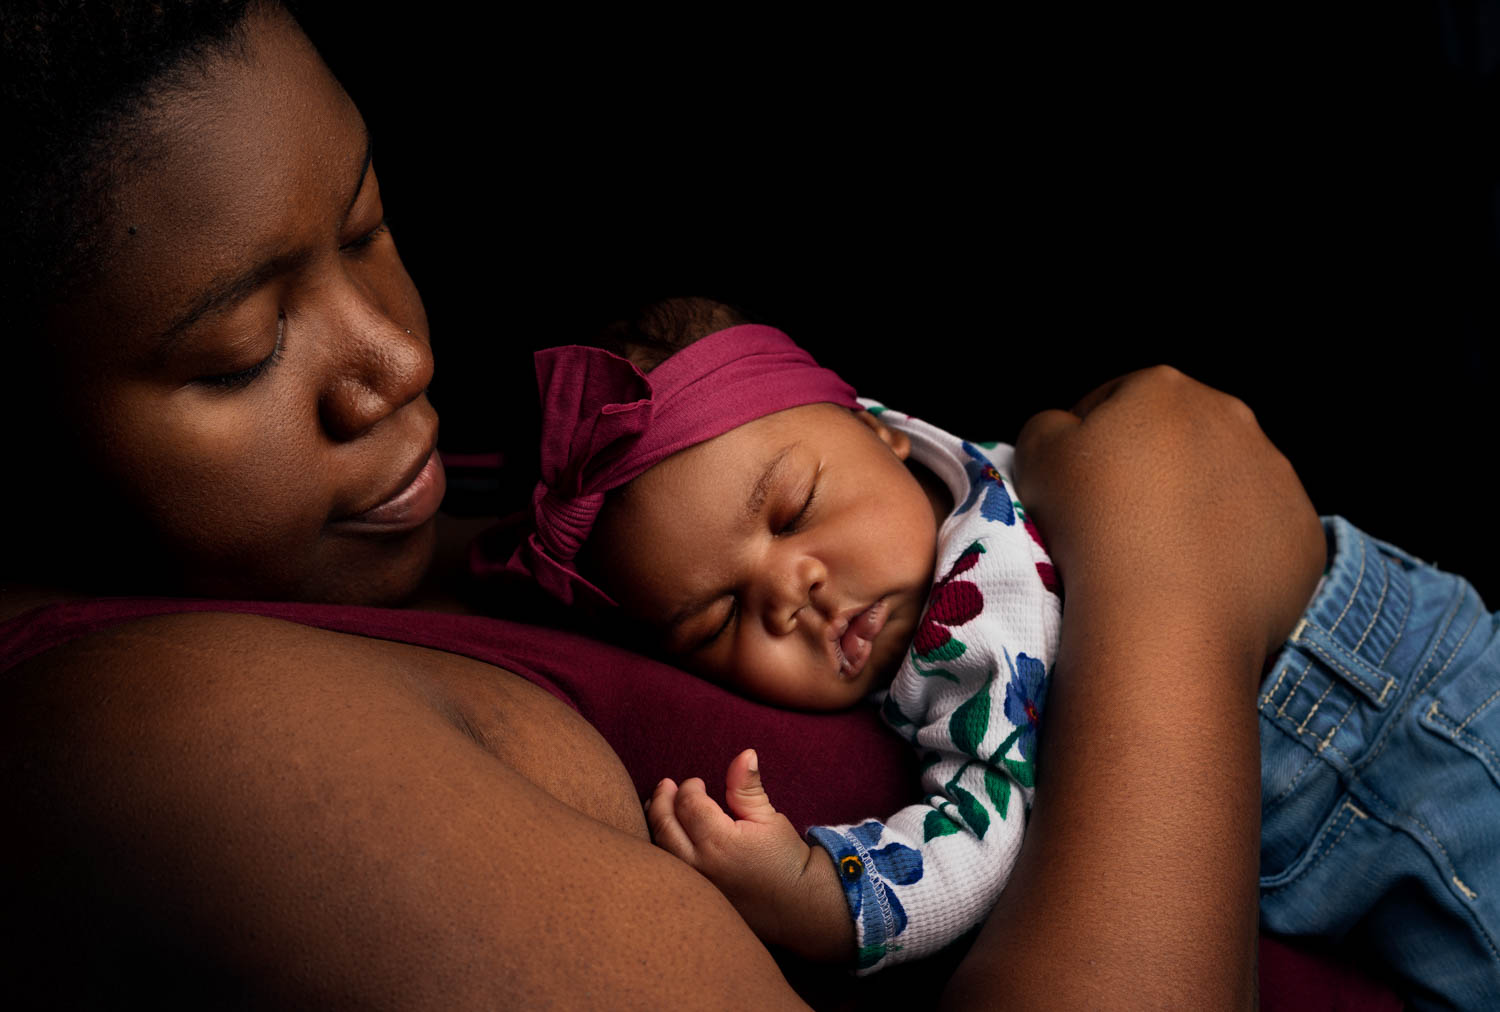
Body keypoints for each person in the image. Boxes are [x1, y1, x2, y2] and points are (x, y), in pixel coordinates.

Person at [0, 1, 1328, 1008]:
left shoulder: (421, 523)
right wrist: (1169, 578)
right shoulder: (184, 748)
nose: (398, 364)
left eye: (365, 227)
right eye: (242, 353)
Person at [509, 304, 1500, 1009]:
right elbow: (985, 827)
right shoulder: (947, 606)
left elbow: (974, 845)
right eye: (720, 616)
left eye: (792, 510)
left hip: (1390, 711)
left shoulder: (971, 603)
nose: (789, 591)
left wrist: (826, 895)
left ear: (882, 433)